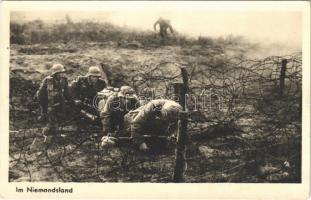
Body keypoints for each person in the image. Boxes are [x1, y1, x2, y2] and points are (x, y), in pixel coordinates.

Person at [37, 63, 73, 136]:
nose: (62, 75)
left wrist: (71, 101)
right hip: (47, 101)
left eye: (62, 73)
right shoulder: (49, 80)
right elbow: (42, 95)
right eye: (60, 73)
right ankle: (47, 133)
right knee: (52, 119)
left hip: (59, 101)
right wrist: (45, 108)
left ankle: (55, 131)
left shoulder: (64, 80)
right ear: (55, 74)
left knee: (61, 116)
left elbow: (66, 92)